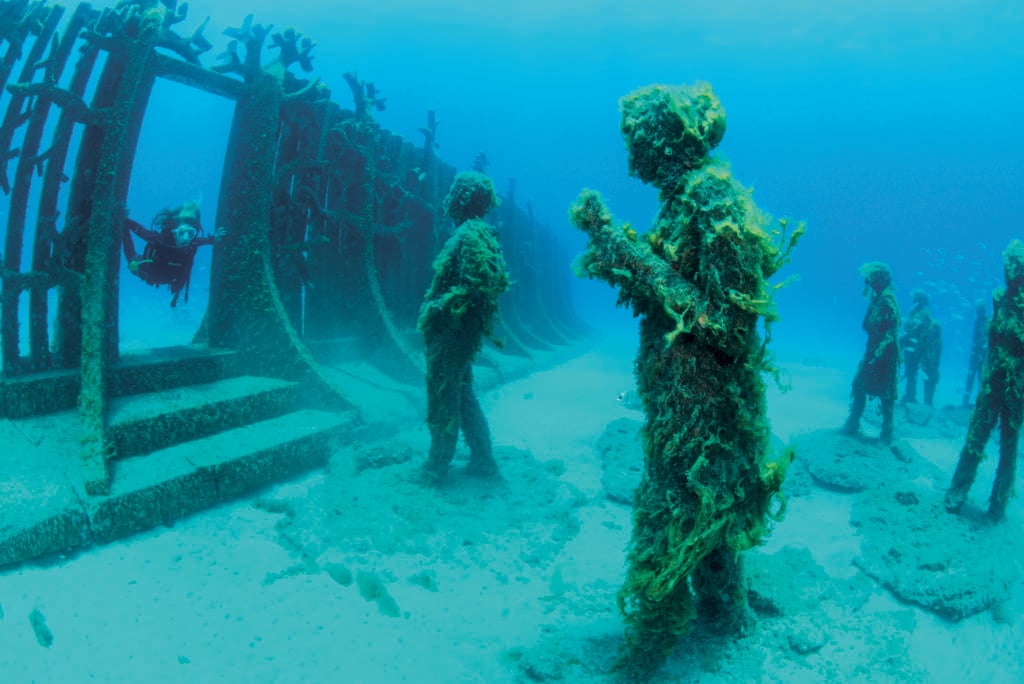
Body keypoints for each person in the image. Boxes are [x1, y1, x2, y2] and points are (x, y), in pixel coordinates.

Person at [569, 82, 799, 679]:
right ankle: (726, 622)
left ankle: (643, 657)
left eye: (636, 139)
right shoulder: (683, 203)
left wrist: (625, 251)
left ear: (666, 137)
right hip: (687, 402)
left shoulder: (712, 199)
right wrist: (626, 252)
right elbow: (681, 291)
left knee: (668, 519)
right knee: (711, 516)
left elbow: (727, 325)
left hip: (703, 411)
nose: (630, 155)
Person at [418, 171, 509, 484]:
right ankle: (483, 459)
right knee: (464, 395)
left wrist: (437, 309)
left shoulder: (468, 235)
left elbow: (475, 288)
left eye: (454, 192)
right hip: (462, 333)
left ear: (463, 198)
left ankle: (435, 468)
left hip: (452, 334)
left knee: (443, 397)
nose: (450, 198)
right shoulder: (483, 233)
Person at [944, 240, 1024, 521]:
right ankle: (957, 491)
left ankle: (998, 505)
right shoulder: (999, 299)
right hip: (991, 384)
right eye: (1007, 266)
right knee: (975, 437)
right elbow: (992, 345)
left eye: (1015, 266)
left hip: (1016, 390)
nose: (1009, 271)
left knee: (1009, 447)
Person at [122, 200, 224, 307]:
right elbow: (141, 231)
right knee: (131, 260)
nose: (185, 238)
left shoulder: (192, 244)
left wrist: (214, 238)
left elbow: (204, 241)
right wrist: (126, 221)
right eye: (181, 232)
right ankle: (123, 229)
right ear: (174, 232)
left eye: (190, 233)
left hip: (170, 279)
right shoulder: (160, 240)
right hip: (147, 274)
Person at [841, 262, 901, 444]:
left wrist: (880, 352)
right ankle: (853, 423)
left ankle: (886, 432)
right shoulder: (877, 299)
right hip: (873, 350)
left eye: (873, 278)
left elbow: (891, 330)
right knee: (860, 384)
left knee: (886, 391)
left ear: (882, 279)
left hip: (885, 353)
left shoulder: (887, 301)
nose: (870, 282)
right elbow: (867, 325)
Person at [900, 288, 942, 406]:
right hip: (912, 348)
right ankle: (910, 396)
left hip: (921, 349)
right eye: (914, 298)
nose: (914, 301)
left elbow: (916, 330)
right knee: (910, 373)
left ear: (921, 300)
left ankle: (926, 401)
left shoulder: (923, 313)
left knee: (920, 374)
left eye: (916, 298)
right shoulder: (912, 312)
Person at [962, 299, 989, 405]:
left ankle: (980, 402)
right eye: (978, 309)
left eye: (980, 309)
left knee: (980, 378)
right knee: (970, 377)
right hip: (975, 355)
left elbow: (984, 340)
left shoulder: (985, 322)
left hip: (981, 356)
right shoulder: (977, 321)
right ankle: (965, 401)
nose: (978, 311)